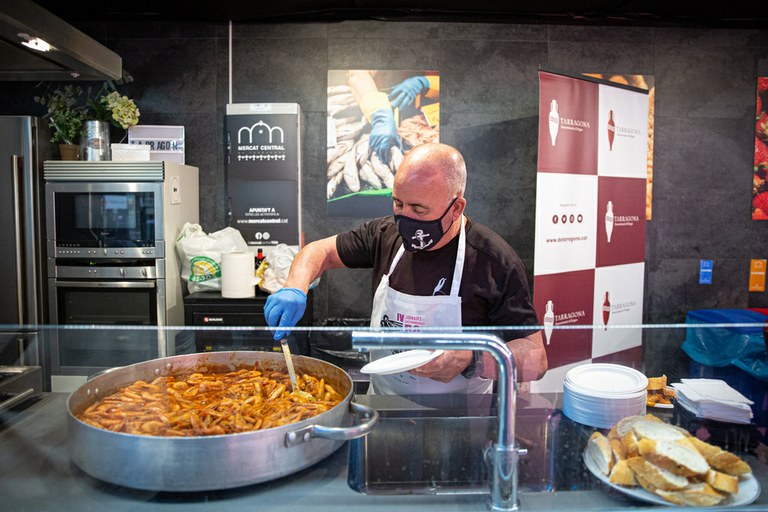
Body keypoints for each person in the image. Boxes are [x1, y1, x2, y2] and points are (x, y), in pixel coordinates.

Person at [264, 143, 547, 394]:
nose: (406, 219)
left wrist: (474, 359)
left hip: (462, 416)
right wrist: (295, 287)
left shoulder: (494, 261)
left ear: (456, 208)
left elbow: (537, 359)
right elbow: (320, 251)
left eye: (419, 210)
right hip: (386, 403)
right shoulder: (385, 234)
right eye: (398, 204)